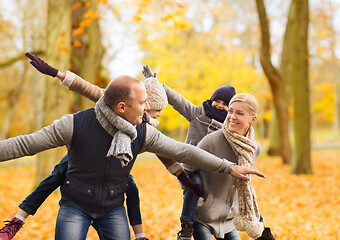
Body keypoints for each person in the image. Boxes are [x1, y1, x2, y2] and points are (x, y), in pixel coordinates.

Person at [0, 66, 265, 239]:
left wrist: (228, 167)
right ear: (122, 107)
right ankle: (19, 218)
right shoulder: (74, 124)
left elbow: (184, 151)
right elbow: (25, 144)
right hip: (75, 205)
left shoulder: (143, 132)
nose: (148, 109)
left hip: (113, 208)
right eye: (143, 103)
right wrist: (61, 75)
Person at [141, 66, 274, 240]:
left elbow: (239, 184)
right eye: (216, 102)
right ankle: (186, 225)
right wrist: (157, 85)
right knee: (194, 181)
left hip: (223, 202)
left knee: (244, 184)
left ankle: (260, 227)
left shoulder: (244, 143)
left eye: (225, 105)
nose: (219, 106)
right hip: (192, 169)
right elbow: (177, 100)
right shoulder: (199, 116)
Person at [183, 93, 275, 240]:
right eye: (230, 111)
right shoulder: (211, 141)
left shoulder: (254, 148)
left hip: (228, 220)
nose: (232, 117)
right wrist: (200, 201)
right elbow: (186, 170)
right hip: (203, 218)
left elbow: (242, 185)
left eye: (239, 113)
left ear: (253, 119)